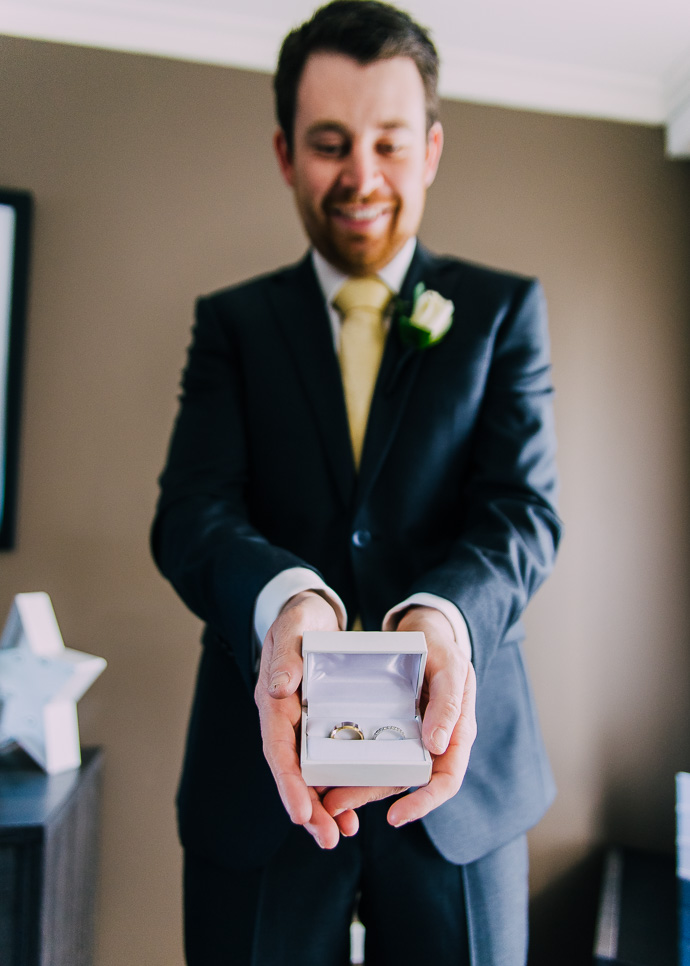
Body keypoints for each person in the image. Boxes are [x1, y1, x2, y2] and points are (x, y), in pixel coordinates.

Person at [151, 2, 561, 964]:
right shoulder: (233, 326)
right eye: (332, 143)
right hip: (263, 789)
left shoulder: (503, 313)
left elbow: (524, 513)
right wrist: (288, 597)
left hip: (461, 790)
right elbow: (191, 512)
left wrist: (444, 619)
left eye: (389, 141)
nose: (363, 177)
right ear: (288, 153)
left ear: (431, 148)